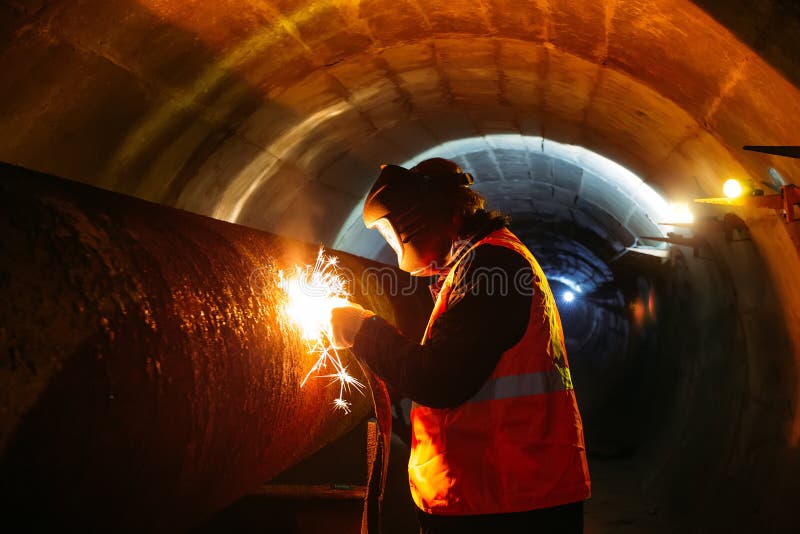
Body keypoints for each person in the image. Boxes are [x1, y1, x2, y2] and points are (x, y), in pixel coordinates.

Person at [330, 158, 591, 533]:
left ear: (430, 217)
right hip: (501, 490)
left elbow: (440, 378)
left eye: (394, 231)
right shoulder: (477, 263)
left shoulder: (492, 265)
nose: (394, 243)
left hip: (508, 499)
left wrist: (363, 330)